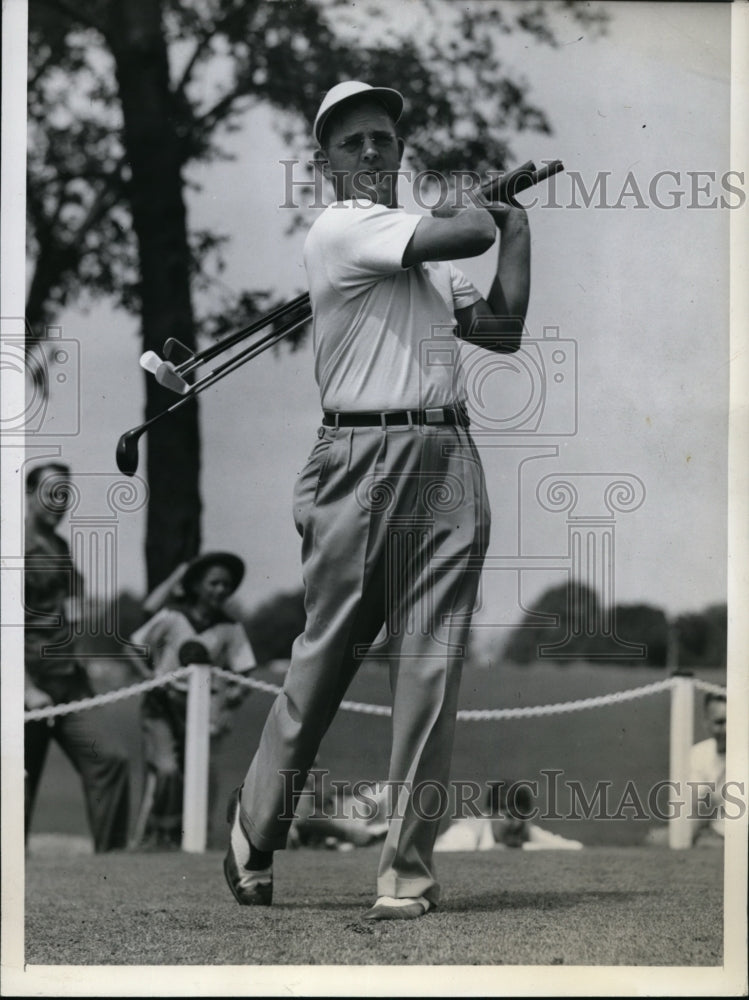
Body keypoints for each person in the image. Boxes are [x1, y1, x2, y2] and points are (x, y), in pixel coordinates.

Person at [224, 80, 532, 920]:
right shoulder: (342, 226)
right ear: (324, 165)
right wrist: (483, 208)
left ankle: (405, 870)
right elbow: (462, 228)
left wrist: (517, 227)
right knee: (322, 666)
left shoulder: (418, 258)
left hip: (445, 454)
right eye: (352, 143)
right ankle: (255, 823)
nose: (370, 154)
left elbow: (502, 330)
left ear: (399, 156)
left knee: (429, 671)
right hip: (356, 459)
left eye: (383, 142)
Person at [24, 462, 130, 852]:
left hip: (69, 682)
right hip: (28, 686)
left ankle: (112, 868)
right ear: (29, 493)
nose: (59, 502)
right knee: (20, 784)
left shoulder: (59, 547)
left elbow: (75, 608)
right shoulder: (14, 546)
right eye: (51, 492)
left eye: (65, 494)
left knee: (110, 759)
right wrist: (26, 688)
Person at [130, 552, 256, 849]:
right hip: (162, 707)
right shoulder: (173, 617)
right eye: (213, 583)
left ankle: (189, 837)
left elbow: (245, 671)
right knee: (167, 769)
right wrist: (149, 677)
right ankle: (157, 834)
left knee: (200, 773)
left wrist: (231, 702)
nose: (220, 590)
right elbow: (133, 647)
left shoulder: (230, 628)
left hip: (201, 712)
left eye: (226, 585)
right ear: (197, 586)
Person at [434, 781, 584, 852]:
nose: (518, 824)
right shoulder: (466, 833)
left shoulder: (526, 829)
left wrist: (522, 846)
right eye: (510, 817)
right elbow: (439, 854)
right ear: (490, 813)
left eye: (522, 816)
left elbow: (573, 847)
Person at [688, 691, 726, 846]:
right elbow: (696, 811)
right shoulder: (698, 754)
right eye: (720, 722)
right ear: (707, 723)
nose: (727, 729)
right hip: (708, 834)